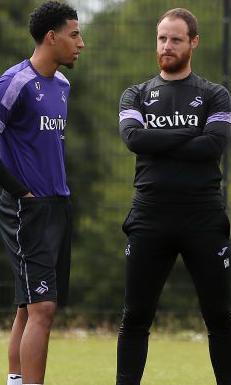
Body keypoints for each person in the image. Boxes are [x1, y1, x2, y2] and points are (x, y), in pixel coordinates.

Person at [116, 8, 231, 385]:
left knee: (219, 317)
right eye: (161, 38)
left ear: (194, 42)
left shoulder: (214, 94)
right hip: (149, 215)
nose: (166, 46)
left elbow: (214, 144)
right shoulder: (135, 93)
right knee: (135, 316)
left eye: (175, 39)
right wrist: (191, 136)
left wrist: (160, 144)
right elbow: (134, 140)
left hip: (203, 215)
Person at [0, 2, 84, 385]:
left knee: (28, 306)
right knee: (43, 307)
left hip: (57, 204)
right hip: (26, 207)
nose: (80, 43)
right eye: (74, 34)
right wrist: (22, 193)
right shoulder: (14, 81)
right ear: (52, 37)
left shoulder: (63, 85)